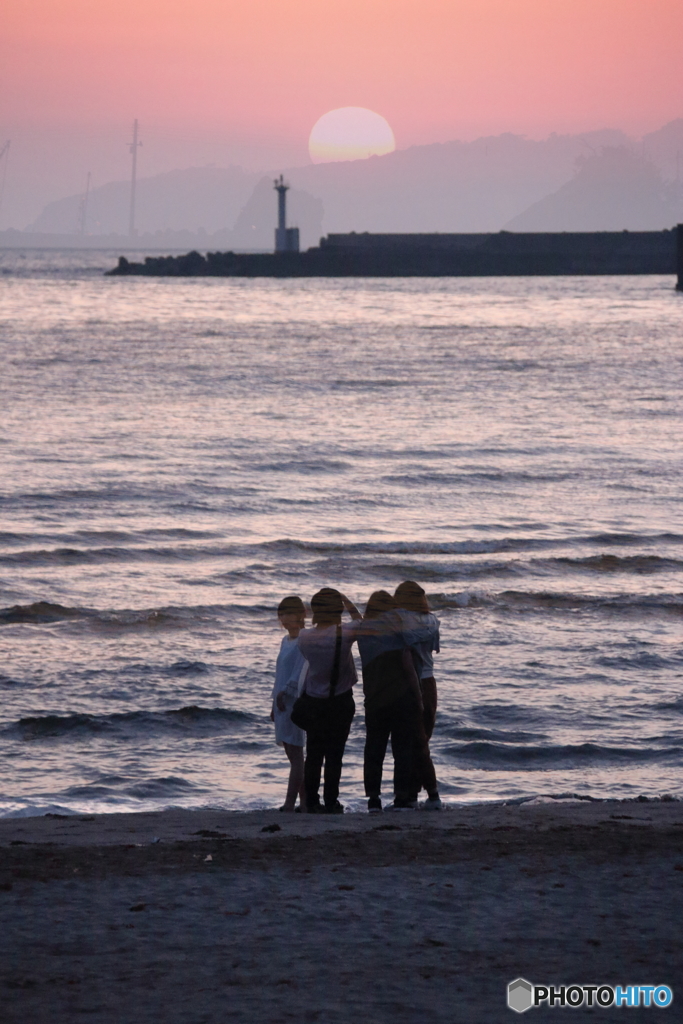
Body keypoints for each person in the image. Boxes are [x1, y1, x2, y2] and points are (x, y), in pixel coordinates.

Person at [357, 590, 426, 812]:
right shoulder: (397, 633)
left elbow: (355, 618)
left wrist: (347, 603)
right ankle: (400, 798)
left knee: (374, 750)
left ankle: (374, 799)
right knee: (402, 750)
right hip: (401, 698)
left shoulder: (363, 632)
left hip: (374, 701)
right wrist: (419, 697)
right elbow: (408, 666)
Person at [296, 588, 361, 813]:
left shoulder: (304, 637)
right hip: (341, 700)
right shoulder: (345, 634)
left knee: (313, 754)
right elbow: (360, 621)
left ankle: (311, 802)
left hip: (314, 700)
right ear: (338, 610)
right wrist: (347, 600)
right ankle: (331, 801)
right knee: (335, 754)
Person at [394, 580, 443, 810]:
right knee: (422, 739)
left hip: (410, 682)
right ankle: (413, 795)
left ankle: (431, 795)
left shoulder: (400, 618)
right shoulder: (433, 620)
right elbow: (433, 648)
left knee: (413, 742)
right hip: (430, 681)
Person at [270, 596, 308, 812]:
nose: (284, 619)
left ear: (300, 615)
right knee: (291, 754)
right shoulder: (286, 640)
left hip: (293, 701)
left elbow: (300, 672)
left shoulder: (304, 639)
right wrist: (274, 701)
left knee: (296, 755)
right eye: (281, 615)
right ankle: (303, 801)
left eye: (288, 614)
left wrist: (286, 693)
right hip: (281, 701)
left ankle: (290, 802)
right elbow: (280, 673)